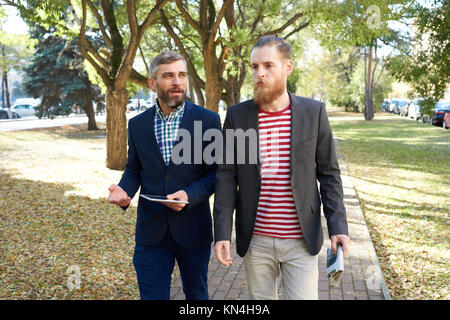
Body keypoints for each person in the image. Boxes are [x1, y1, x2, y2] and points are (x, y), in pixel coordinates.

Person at [213, 36, 350, 300]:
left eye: (268, 65)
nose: (259, 73)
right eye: (254, 67)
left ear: (288, 67)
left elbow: (330, 175)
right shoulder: (237, 116)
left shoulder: (314, 112)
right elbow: (226, 176)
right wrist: (221, 232)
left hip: (301, 238)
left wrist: (338, 226)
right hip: (256, 239)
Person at [108, 51, 221, 300]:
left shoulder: (208, 120)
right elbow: (134, 169)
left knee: (197, 296)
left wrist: (189, 195)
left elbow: (216, 173)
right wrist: (125, 190)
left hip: (193, 228)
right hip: (151, 232)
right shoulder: (137, 124)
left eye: (181, 75)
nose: (177, 81)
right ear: (152, 83)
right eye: (168, 75)